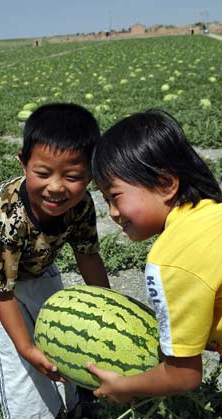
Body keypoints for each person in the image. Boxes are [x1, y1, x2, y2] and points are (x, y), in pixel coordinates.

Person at [0, 103, 110, 419]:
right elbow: (2, 291)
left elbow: (87, 255)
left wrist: (108, 310)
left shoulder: (81, 205)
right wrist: (28, 350)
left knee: (63, 336)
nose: (56, 187)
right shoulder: (10, 217)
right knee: (21, 361)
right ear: (23, 163)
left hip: (37, 262)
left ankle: (73, 405)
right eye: (43, 173)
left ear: (90, 174)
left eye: (72, 176)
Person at [87, 108, 222, 404]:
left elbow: (183, 376)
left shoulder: (172, 260)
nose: (112, 213)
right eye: (105, 201)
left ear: (166, 184)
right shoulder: (214, 215)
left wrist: (124, 386)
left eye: (115, 196)